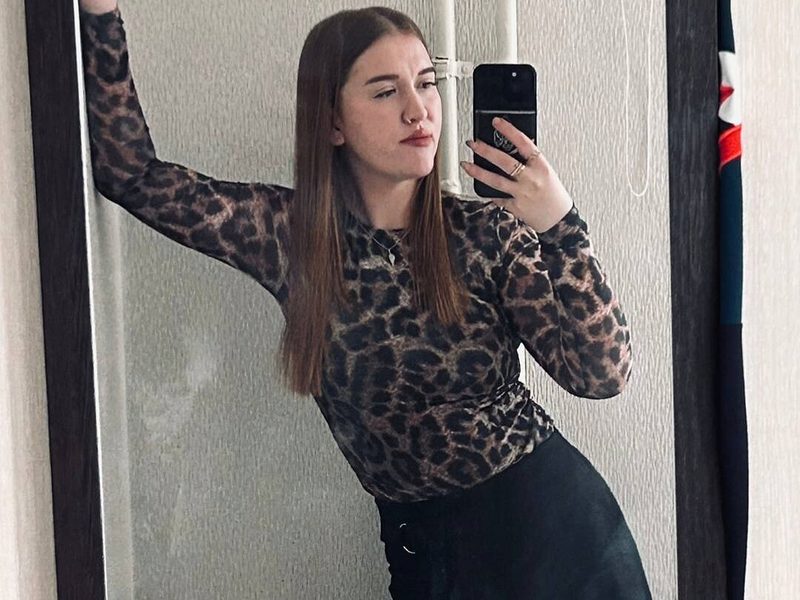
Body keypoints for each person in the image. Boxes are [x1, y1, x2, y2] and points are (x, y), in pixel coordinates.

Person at [78, 1, 652, 598]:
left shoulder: (486, 234)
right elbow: (131, 175)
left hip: (556, 538)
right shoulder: (291, 237)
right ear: (332, 121)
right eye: (385, 91)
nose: (418, 109)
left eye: (425, 83)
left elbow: (601, 375)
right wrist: (100, 14)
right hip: (422, 551)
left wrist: (561, 226)